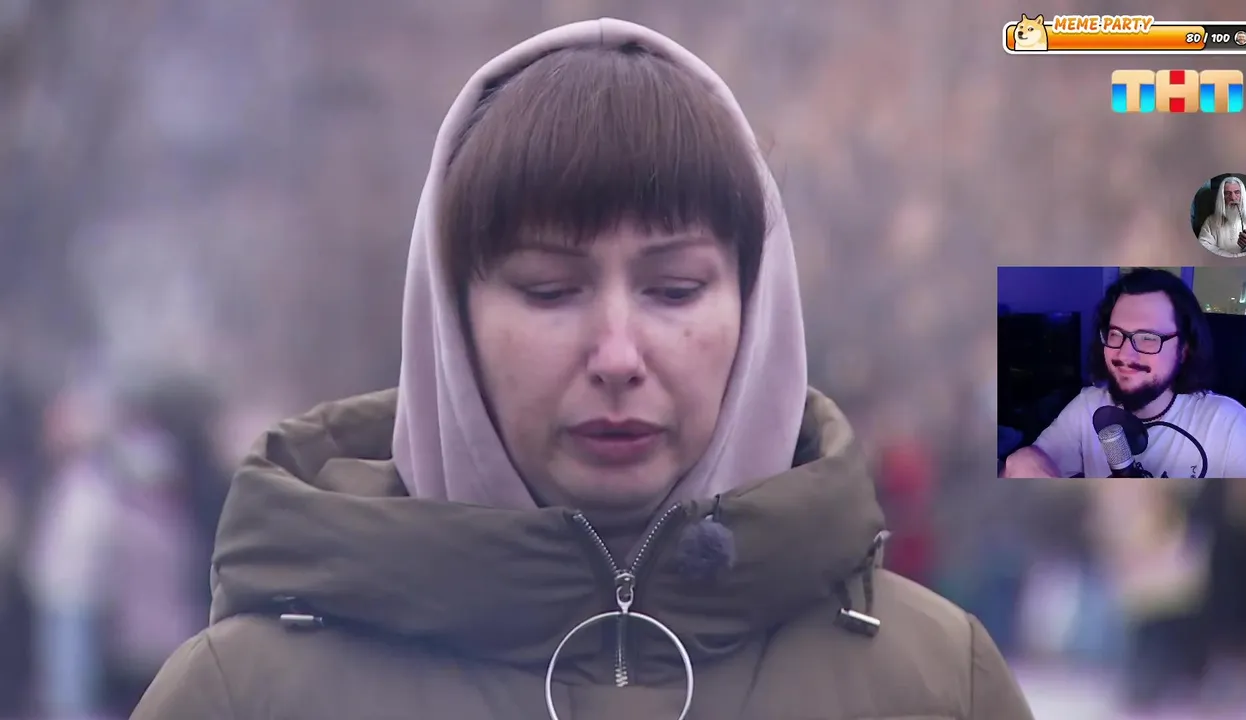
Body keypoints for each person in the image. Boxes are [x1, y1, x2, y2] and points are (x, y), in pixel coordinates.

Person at [132, 19, 1033, 719]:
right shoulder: (244, 693)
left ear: (756, 309)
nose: (616, 357)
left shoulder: (933, 680)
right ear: (452, 320)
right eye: (550, 290)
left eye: (674, 290)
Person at [1003, 268, 1246, 479]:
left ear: (1183, 350)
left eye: (1148, 338)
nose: (1125, 354)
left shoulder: (1226, 423)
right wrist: (1022, 463)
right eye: (1115, 334)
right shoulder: (1087, 407)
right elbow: (1027, 469)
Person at [1198, 177, 1246, 257]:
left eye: (1237, 192)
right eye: (1227, 193)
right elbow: (1203, 247)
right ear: (1222, 197)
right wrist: (1233, 256)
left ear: (1242, 196)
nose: (1233, 198)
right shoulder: (1210, 221)